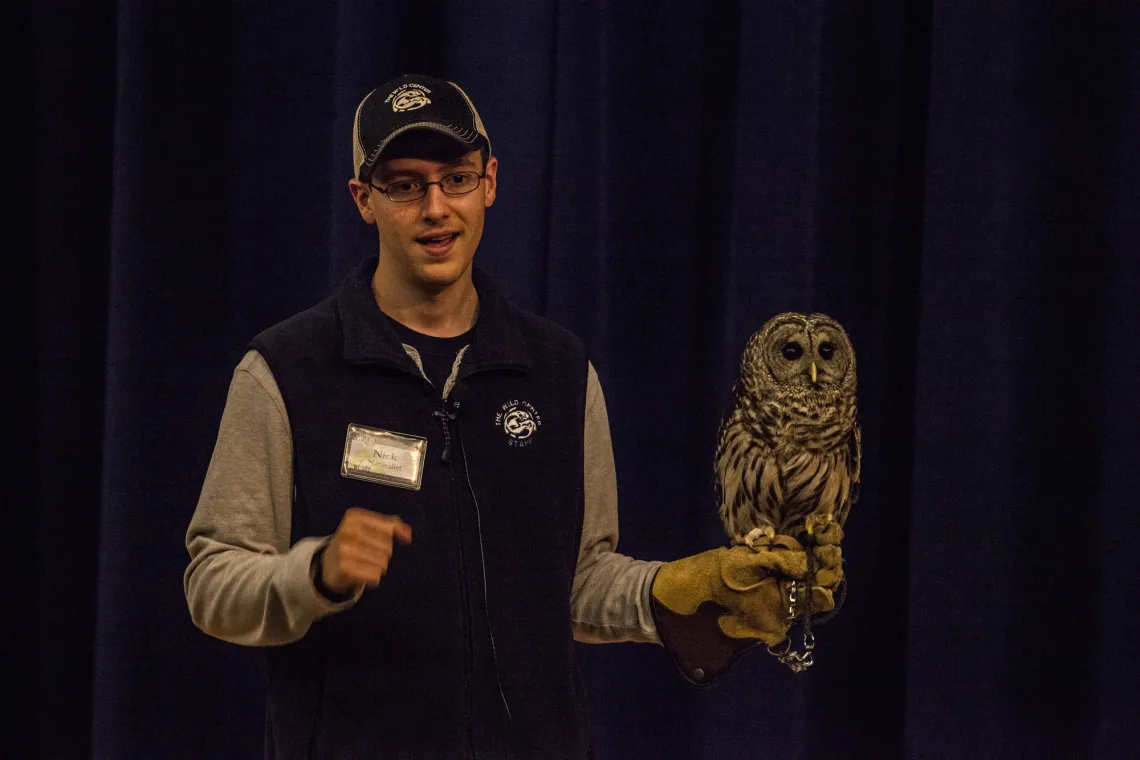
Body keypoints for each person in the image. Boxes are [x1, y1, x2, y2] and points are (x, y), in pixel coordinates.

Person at [184, 74, 842, 760]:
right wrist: (313, 573)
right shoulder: (286, 370)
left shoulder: (559, 371)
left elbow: (580, 584)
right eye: (405, 185)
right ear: (364, 200)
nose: (436, 208)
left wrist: (683, 591)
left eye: (456, 178)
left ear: (490, 182)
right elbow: (212, 583)